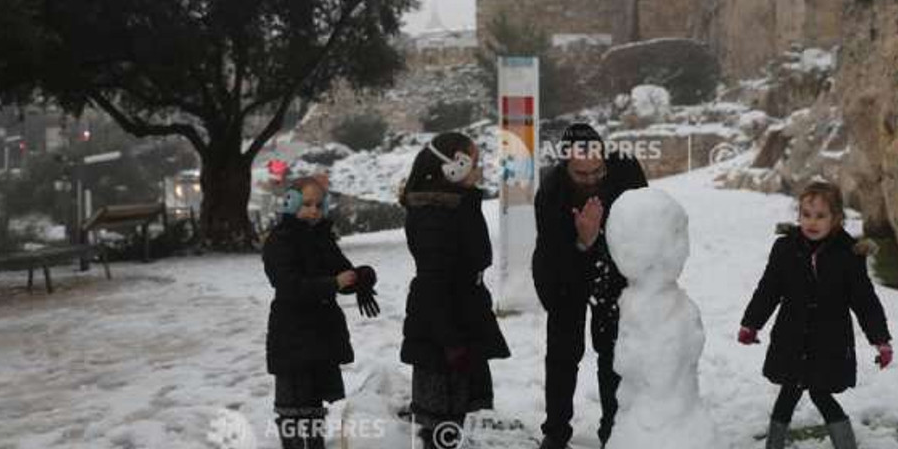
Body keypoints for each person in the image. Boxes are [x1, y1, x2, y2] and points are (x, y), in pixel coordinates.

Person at [738, 180, 892, 449]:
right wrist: (751, 324)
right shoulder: (785, 248)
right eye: (806, 214)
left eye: (821, 216)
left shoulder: (849, 254)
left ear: (836, 218)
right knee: (789, 390)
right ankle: (774, 444)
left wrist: (880, 339)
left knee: (821, 393)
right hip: (792, 336)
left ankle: (845, 443)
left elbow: (865, 302)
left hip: (828, 340)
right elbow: (769, 290)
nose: (812, 222)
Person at [532, 123, 648, 449]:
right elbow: (554, 255)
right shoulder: (551, 191)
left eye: (598, 171)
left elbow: (646, 219)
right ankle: (555, 432)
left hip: (614, 268)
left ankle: (612, 430)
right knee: (563, 354)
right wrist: (584, 241)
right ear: (566, 165)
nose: (592, 178)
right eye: (581, 174)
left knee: (612, 351)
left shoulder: (624, 169)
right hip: (562, 274)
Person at [400, 132, 511, 449]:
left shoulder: (459, 205)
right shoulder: (435, 215)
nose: (479, 169)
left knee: (459, 418)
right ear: (453, 167)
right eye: (474, 162)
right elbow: (433, 284)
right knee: (442, 424)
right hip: (443, 331)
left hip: (462, 318)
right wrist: (450, 341)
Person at [263, 175, 380, 449]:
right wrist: (333, 283)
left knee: (314, 408)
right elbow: (289, 285)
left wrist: (361, 278)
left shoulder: (323, 237)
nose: (313, 210)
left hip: (321, 334)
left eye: (318, 204)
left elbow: (341, 275)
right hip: (292, 334)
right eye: (306, 204)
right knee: (294, 408)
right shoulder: (280, 240)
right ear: (291, 204)